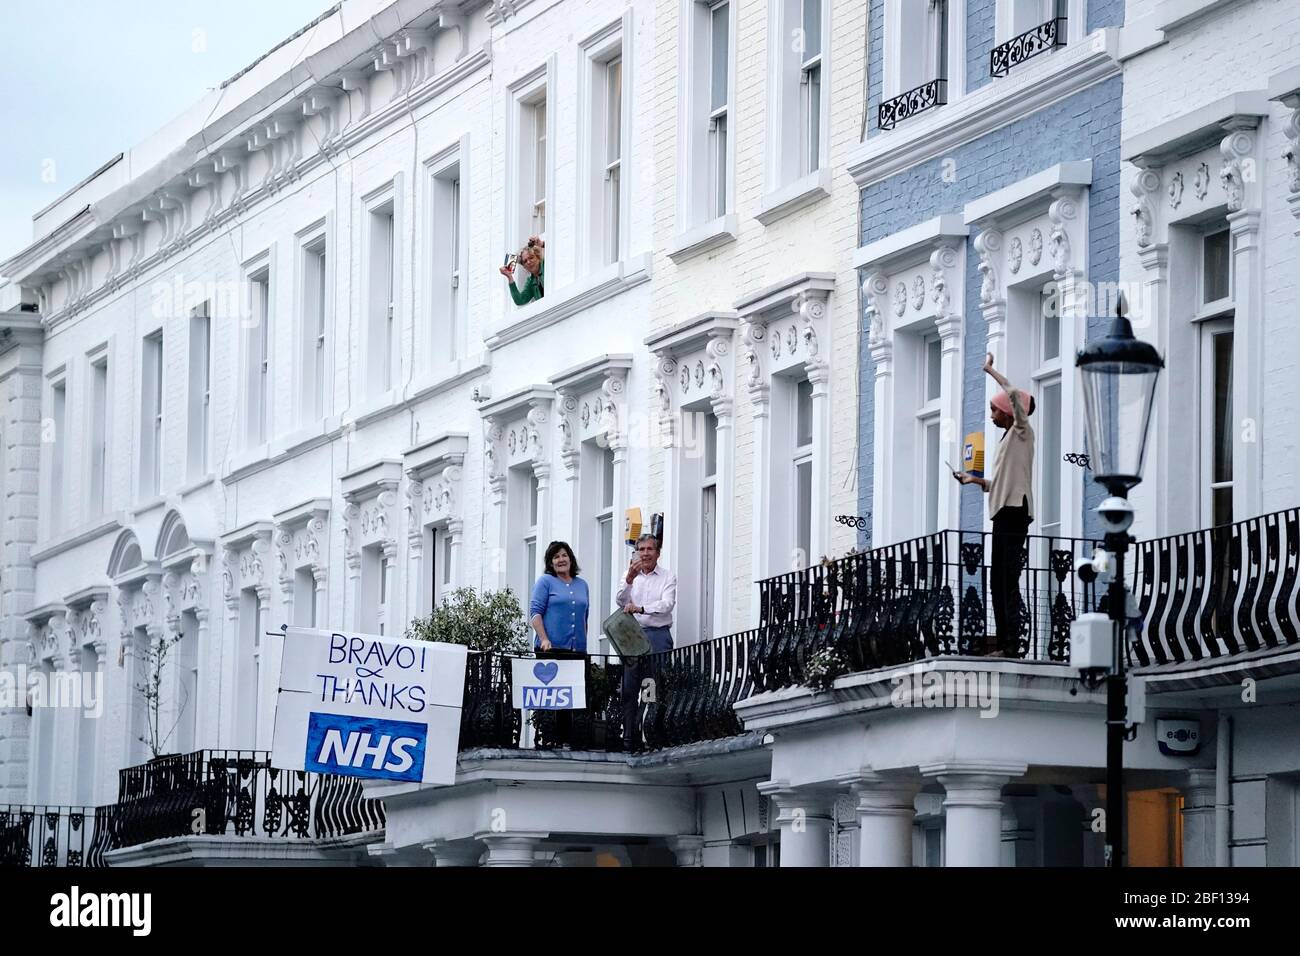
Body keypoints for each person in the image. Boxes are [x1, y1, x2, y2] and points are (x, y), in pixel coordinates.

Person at [957, 353, 1036, 657]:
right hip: (1002, 512)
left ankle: (1012, 645)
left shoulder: (1021, 432)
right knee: (997, 581)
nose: (991, 415)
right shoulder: (1006, 439)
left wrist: (991, 371)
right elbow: (1002, 482)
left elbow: (1015, 394)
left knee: (1008, 580)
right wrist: (974, 481)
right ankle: (1005, 642)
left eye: (993, 409)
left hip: (1015, 511)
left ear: (1007, 412)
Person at [615, 534, 677, 748]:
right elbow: (620, 600)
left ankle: (651, 733)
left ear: (657, 553)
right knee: (630, 686)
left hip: (657, 635)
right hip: (633, 635)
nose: (645, 554)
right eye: (641, 549)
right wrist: (629, 580)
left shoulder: (667, 577)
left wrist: (641, 608)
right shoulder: (629, 575)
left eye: (650, 549)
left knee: (652, 685)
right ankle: (629, 736)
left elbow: (667, 604)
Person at [528, 541, 589, 747]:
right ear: (550, 562)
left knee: (572, 695)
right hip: (551, 649)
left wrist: (583, 642)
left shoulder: (582, 585)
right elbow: (535, 614)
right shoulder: (545, 582)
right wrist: (544, 638)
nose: (561, 560)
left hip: (576, 650)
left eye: (564, 555)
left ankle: (569, 740)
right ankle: (549, 739)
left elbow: (584, 617)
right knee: (552, 696)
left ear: (570, 558)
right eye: (556, 557)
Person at [500, 235, 545, 305]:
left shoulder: (547, 265)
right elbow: (520, 300)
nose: (529, 262)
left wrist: (542, 244)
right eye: (525, 261)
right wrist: (509, 277)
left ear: (538, 257)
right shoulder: (531, 281)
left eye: (531, 257)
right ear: (524, 267)